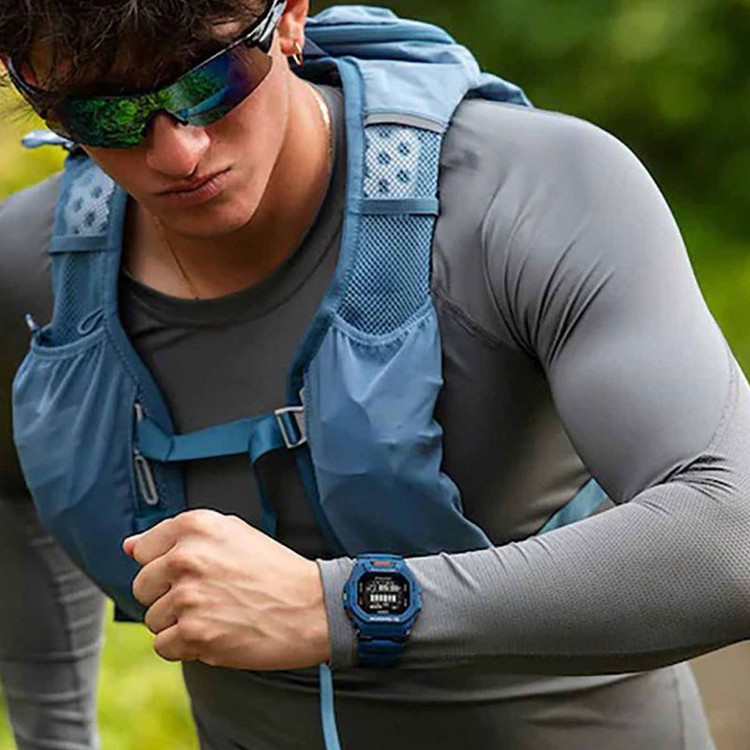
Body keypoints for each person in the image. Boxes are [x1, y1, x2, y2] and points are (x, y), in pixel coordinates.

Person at [1, 1, 750, 749]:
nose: (178, 151)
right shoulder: (33, 273)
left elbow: (732, 537)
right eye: (106, 114)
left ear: (289, 16)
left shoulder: (527, 193)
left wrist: (342, 607)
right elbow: (14, 493)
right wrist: (53, 738)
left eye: (212, 79)